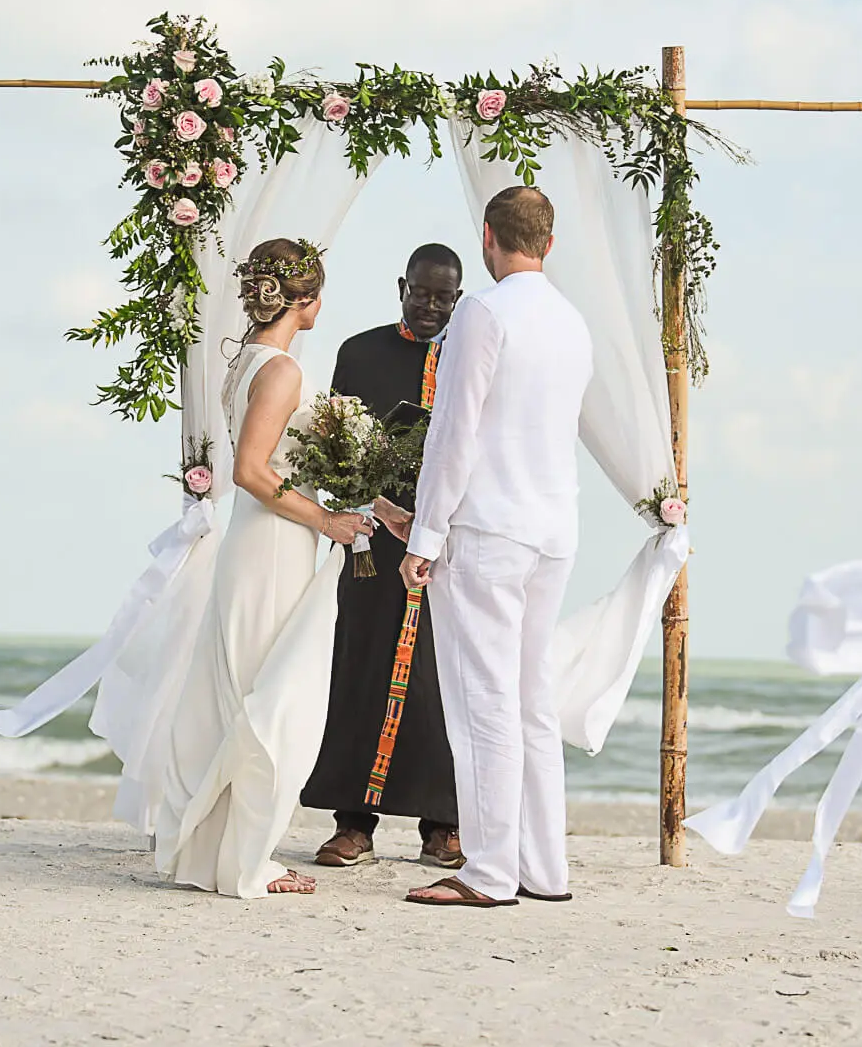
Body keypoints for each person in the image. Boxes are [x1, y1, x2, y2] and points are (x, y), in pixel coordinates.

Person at [149, 237, 376, 897]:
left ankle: (224, 854)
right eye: (319, 292)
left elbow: (286, 462)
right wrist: (329, 522)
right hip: (274, 546)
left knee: (249, 693)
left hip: (261, 541)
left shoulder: (249, 361)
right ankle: (248, 861)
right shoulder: (281, 372)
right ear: (303, 300)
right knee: (275, 699)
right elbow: (251, 471)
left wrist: (373, 503)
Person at [399, 187, 593, 907]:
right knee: (531, 702)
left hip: (488, 528)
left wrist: (425, 532)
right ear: (549, 243)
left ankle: (487, 871)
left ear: (488, 237)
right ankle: (544, 868)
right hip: (553, 530)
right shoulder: (574, 321)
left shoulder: (483, 312)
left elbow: (455, 432)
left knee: (484, 703)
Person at [301, 243, 467, 870]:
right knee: (362, 670)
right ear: (402, 286)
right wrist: (379, 509)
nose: (429, 306)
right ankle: (353, 824)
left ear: (457, 297)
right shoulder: (360, 352)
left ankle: (443, 825)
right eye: (420, 292)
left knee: (439, 682)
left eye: (443, 297)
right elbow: (337, 448)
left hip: (447, 547)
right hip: (372, 542)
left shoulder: (470, 358)